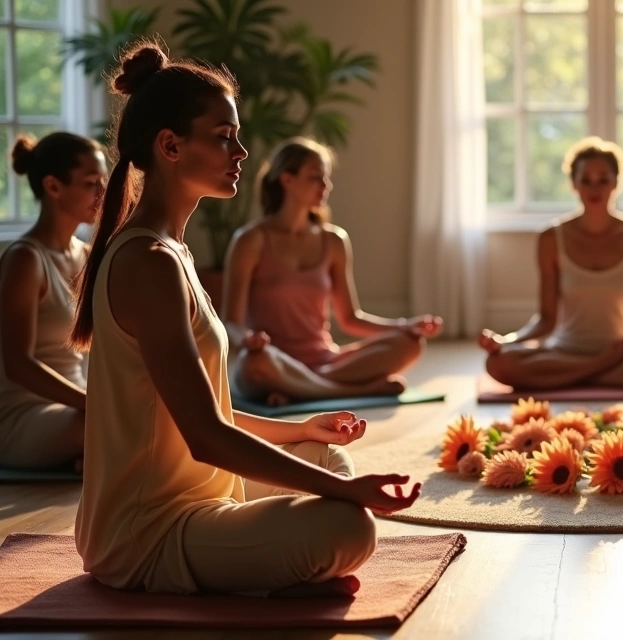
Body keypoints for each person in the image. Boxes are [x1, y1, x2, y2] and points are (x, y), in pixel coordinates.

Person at [72, 43, 420, 597]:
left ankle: (286, 565)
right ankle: (290, 566)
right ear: (170, 146)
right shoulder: (148, 263)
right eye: (223, 136)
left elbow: (212, 410)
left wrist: (301, 430)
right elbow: (207, 436)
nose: (241, 150)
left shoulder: (173, 253)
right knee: (348, 523)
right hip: (148, 535)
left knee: (326, 454)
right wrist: (349, 495)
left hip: (208, 497)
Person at [222, 137, 442, 406]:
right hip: (272, 360)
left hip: (325, 362)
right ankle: (352, 391)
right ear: (286, 179)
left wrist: (405, 325)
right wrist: (247, 340)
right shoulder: (250, 240)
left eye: (326, 178)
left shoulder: (334, 240)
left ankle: (301, 390)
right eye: (316, 177)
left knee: (411, 343)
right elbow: (231, 321)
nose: (326, 186)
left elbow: (350, 318)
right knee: (252, 364)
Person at [480, 136, 623, 390]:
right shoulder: (550, 238)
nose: (594, 188)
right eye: (586, 180)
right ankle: (602, 369)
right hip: (566, 351)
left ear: (616, 183)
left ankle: (576, 378)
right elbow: (545, 319)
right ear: (573, 184)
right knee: (499, 363)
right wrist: (505, 341)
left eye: (603, 179)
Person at [0, 132, 105, 471]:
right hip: (25, 416)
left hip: (76, 406)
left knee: (147, 416)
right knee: (111, 426)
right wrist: (95, 405)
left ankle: (90, 458)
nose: (102, 193)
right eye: (91, 183)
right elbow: (17, 364)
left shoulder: (86, 255)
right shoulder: (25, 259)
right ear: (53, 186)